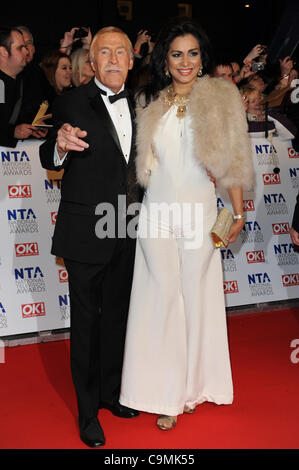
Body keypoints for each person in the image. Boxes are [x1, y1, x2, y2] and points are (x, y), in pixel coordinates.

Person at [119, 17, 254, 430]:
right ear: (164, 60)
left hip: (199, 211)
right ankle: (162, 391)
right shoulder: (148, 102)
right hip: (156, 213)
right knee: (160, 296)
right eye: (176, 54)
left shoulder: (221, 96)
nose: (185, 61)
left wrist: (237, 211)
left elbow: (233, 159)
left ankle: (191, 387)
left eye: (192, 53)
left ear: (202, 58)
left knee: (195, 298)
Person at [39, 26, 141, 448]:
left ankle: (110, 394)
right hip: (84, 231)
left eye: (121, 52)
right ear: (92, 63)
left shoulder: (145, 104)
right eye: (105, 52)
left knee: (117, 317)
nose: (114, 59)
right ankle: (86, 414)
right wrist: (60, 146)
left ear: (132, 60)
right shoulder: (70, 102)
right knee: (85, 323)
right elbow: (49, 153)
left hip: (128, 227)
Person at [0, 26, 47, 147]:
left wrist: (34, 129)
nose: (26, 51)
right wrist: (12, 132)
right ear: (3, 52)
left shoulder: (25, 80)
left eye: (26, 46)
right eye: (20, 48)